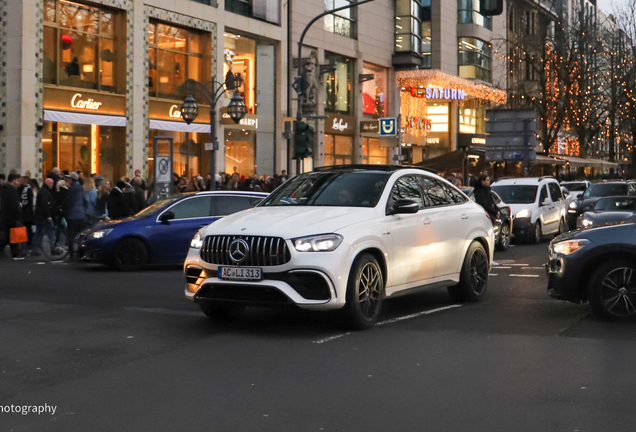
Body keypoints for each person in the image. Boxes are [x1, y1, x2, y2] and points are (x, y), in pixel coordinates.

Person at [0, 174, 24, 259]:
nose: (19, 182)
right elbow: (14, 205)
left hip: (6, 216)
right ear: (13, 180)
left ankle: (16, 253)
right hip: (11, 216)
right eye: (18, 180)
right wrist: (18, 216)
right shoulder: (12, 191)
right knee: (9, 236)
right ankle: (15, 253)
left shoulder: (5, 190)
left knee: (10, 236)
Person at [63, 172, 86, 258]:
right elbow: (85, 201)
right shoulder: (81, 188)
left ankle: (72, 253)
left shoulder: (72, 189)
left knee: (71, 235)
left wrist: (65, 211)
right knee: (80, 235)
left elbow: (68, 202)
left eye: (69, 179)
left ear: (72, 179)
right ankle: (81, 252)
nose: (68, 180)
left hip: (73, 215)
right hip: (81, 215)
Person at [32, 178, 56, 256]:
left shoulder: (42, 191)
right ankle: (53, 247)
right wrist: (48, 215)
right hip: (44, 215)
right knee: (50, 231)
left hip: (39, 215)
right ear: (48, 183)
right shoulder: (45, 192)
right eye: (51, 183)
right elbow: (44, 204)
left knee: (39, 232)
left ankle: (35, 248)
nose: (52, 184)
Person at [18, 175, 35, 253]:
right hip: (28, 213)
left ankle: (23, 246)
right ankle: (29, 245)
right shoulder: (28, 190)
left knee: (23, 229)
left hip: (22, 212)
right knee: (28, 230)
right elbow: (30, 202)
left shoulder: (19, 189)